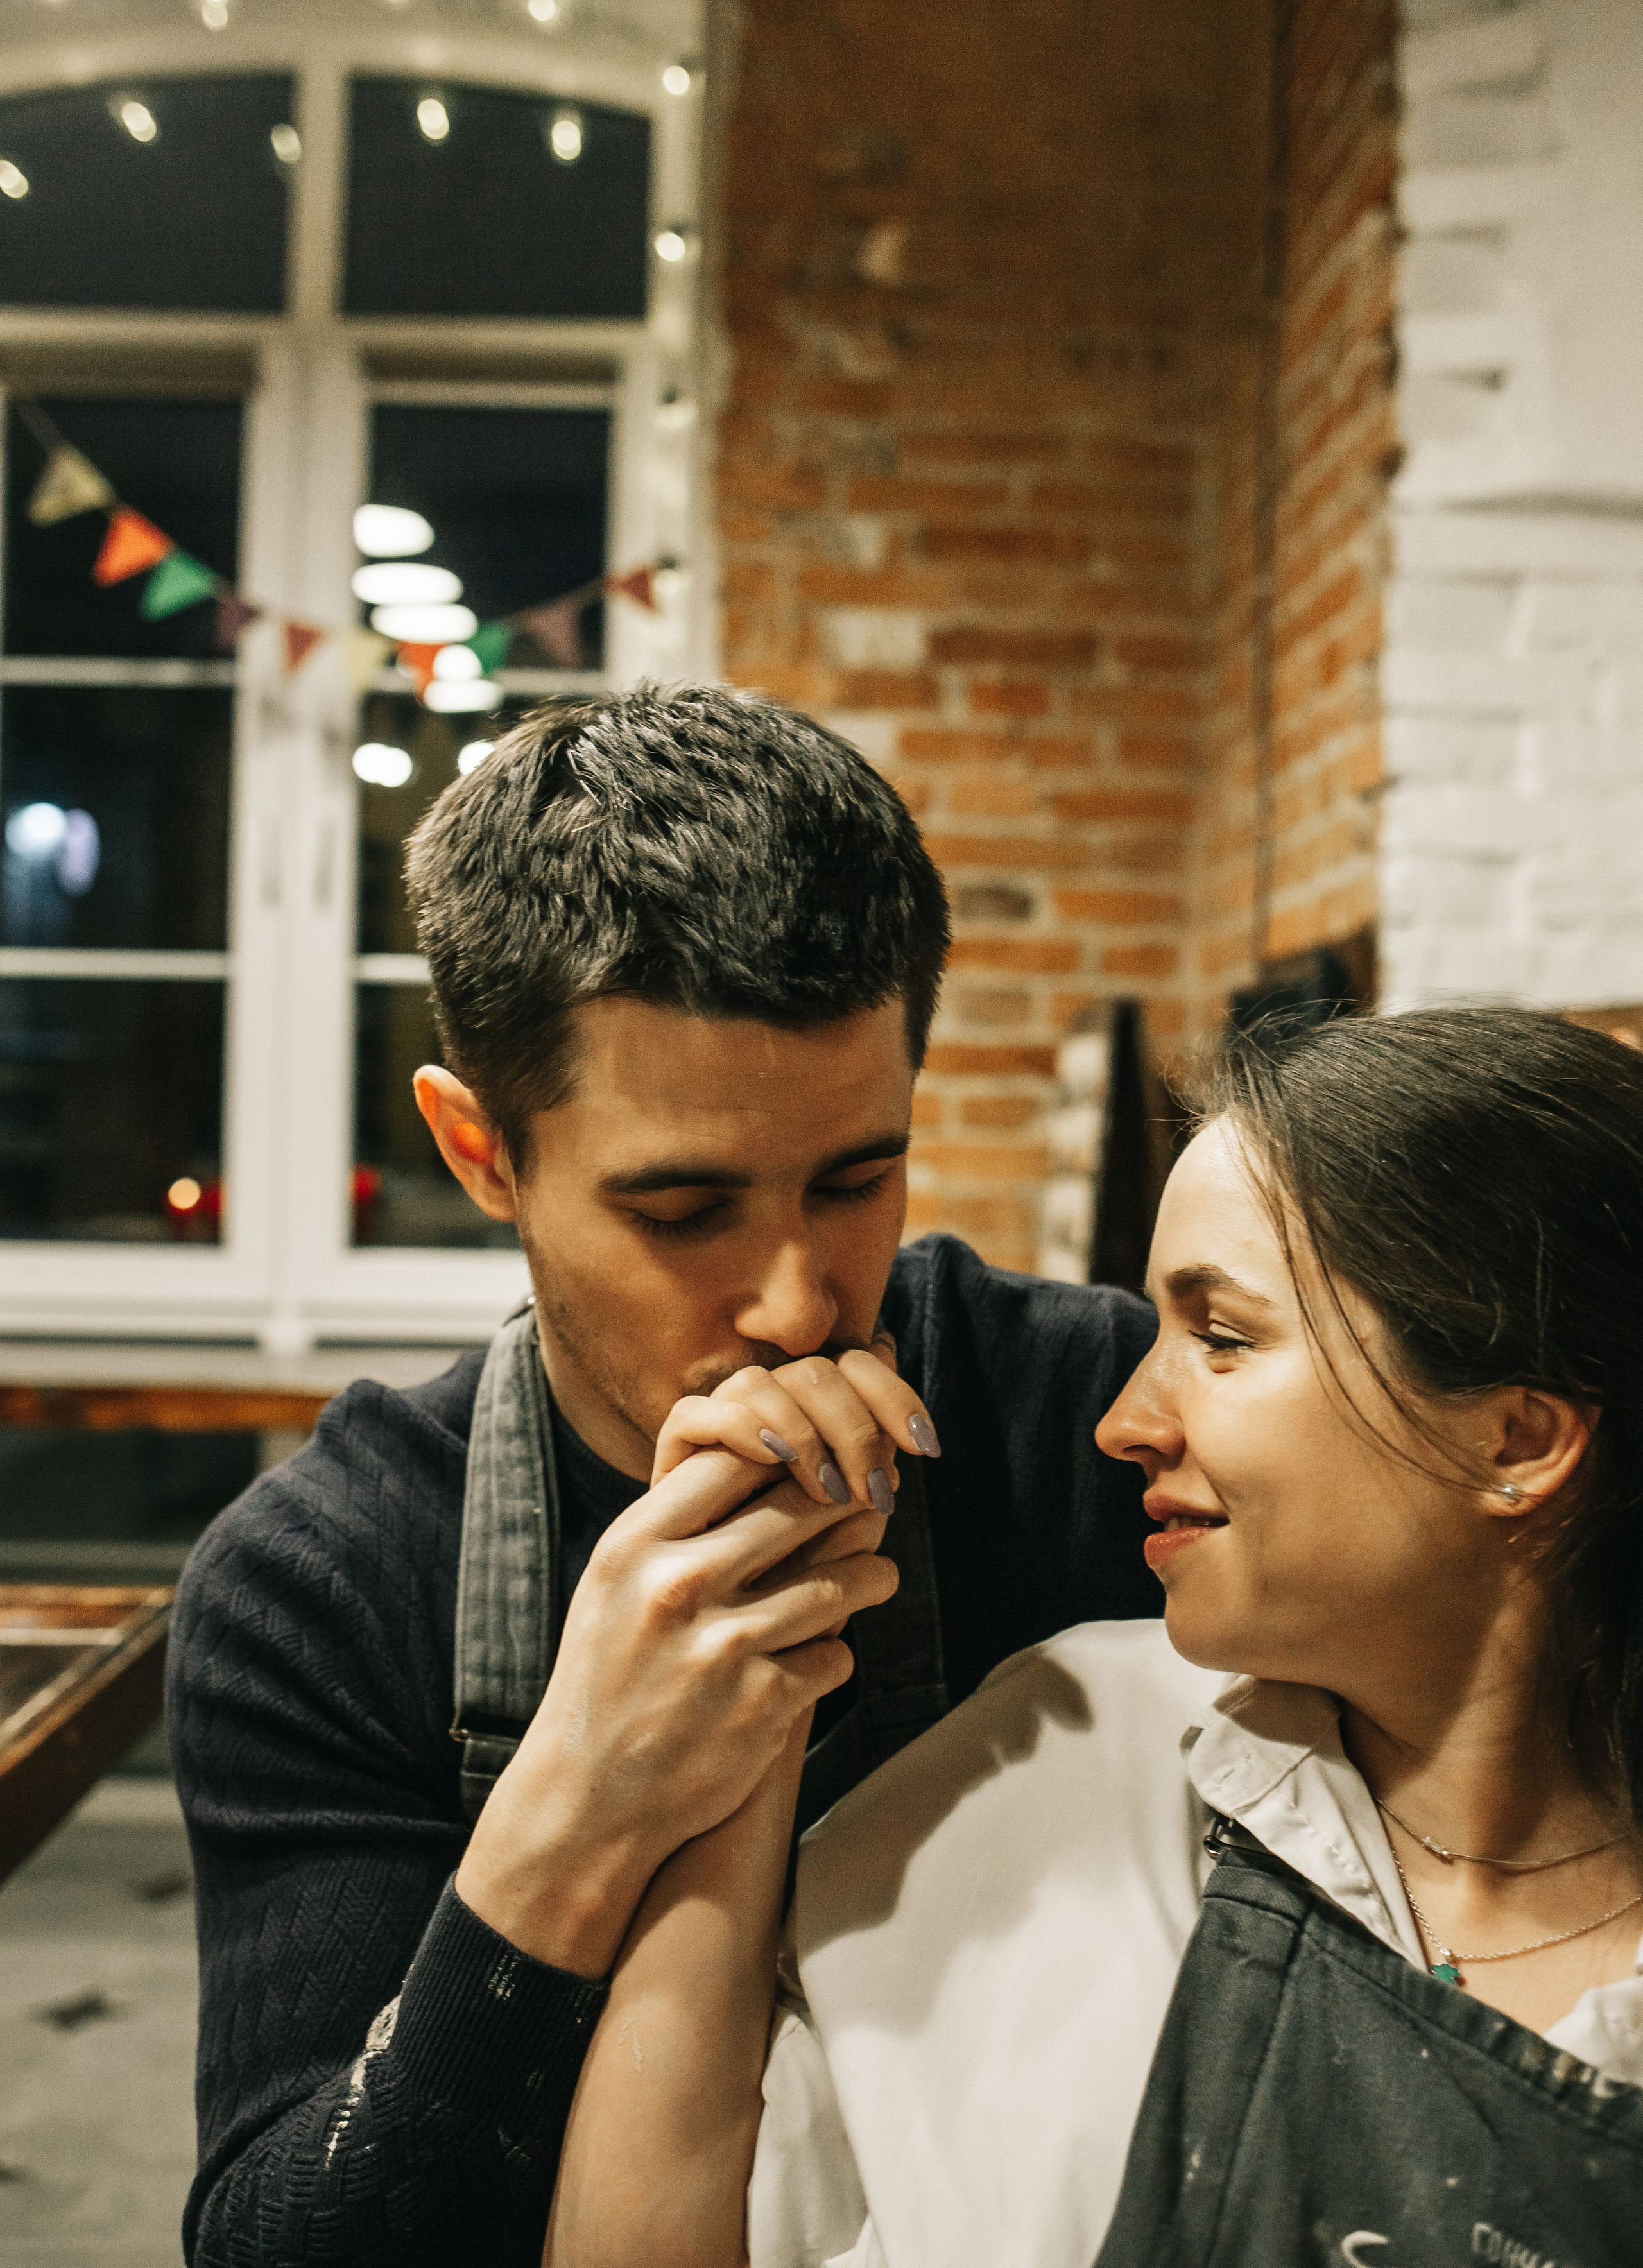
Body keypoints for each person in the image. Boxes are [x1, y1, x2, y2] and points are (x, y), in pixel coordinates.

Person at [166, 682, 1160, 2268]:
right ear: (482, 1149)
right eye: (684, 1210)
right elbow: (283, 2242)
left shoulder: (1095, 1418)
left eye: (856, 1176)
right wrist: (580, 1796)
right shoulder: (321, 1576)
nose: (794, 1301)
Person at [544, 1005, 1643, 2268]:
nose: (1123, 1419)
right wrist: (750, 1673)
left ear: (1514, 1438)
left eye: (1221, 1341)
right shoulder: (1051, 1773)